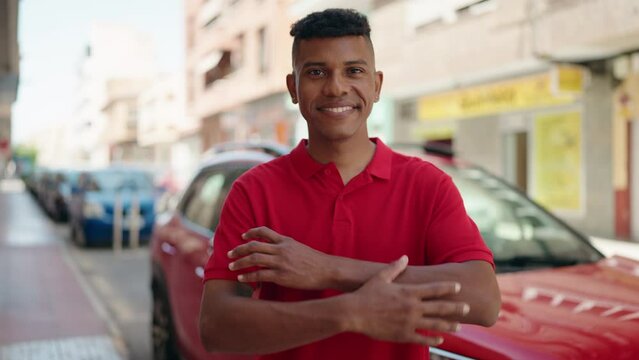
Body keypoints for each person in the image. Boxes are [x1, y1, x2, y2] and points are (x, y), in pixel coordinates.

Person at [199, 8, 500, 360]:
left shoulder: (427, 185)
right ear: (293, 88)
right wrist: (351, 313)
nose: (336, 87)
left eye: (353, 71)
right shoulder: (254, 191)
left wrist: (327, 269)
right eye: (315, 72)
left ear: (376, 85)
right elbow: (216, 328)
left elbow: (483, 300)